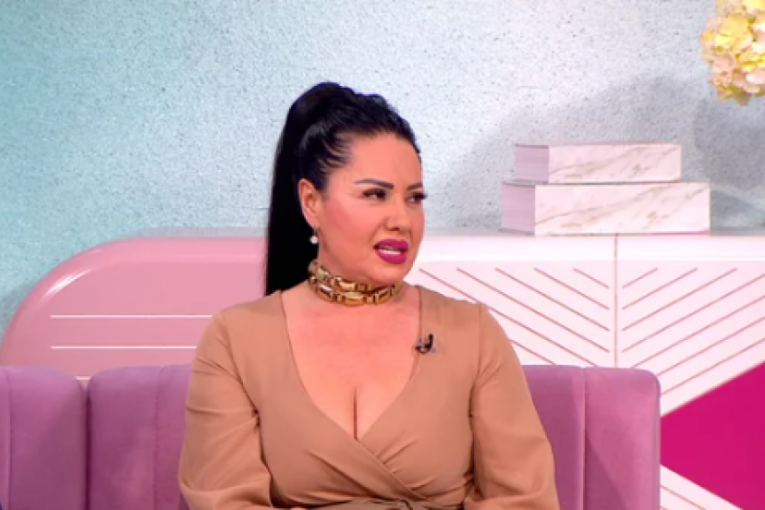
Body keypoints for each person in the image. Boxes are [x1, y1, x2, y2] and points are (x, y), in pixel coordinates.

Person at [178, 82, 560, 510]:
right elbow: (225, 502)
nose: (402, 219)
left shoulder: (473, 333)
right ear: (311, 202)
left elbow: (524, 500)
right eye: (375, 194)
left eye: (414, 198)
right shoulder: (236, 339)